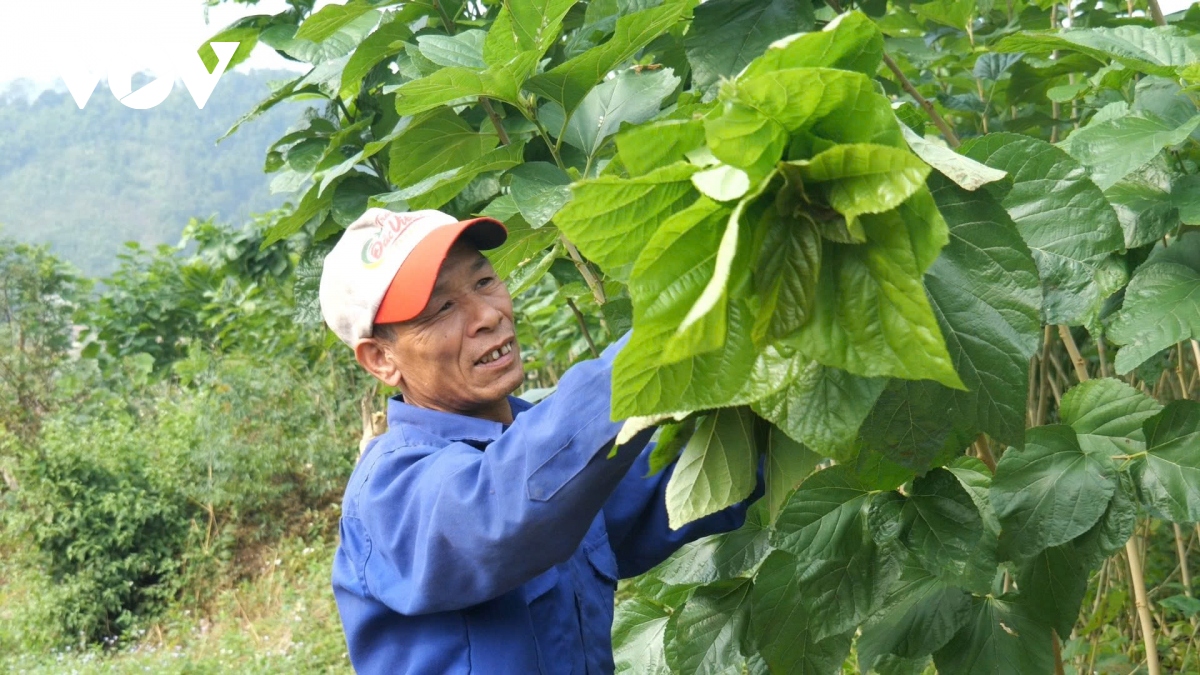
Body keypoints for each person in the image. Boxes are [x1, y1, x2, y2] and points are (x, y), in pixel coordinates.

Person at [319, 208, 760, 674]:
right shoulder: (390, 492)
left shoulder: (547, 447)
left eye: (485, 281)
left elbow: (674, 492)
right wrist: (664, 340)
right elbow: (500, 510)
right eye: (442, 309)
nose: (487, 315)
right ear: (381, 360)